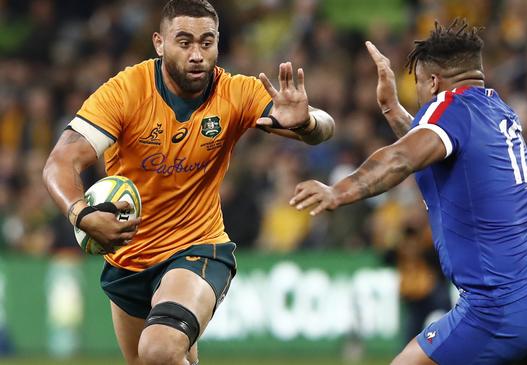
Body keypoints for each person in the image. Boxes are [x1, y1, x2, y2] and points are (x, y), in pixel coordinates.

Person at [42, 1, 334, 364]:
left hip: (198, 248)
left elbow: (322, 126)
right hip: (128, 258)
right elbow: (60, 163)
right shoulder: (126, 91)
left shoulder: (236, 93)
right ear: (159, 43)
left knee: (159, 350)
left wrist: (306, 122)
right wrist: (82, 215)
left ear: (217, 43)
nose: (197, 54)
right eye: (184, 42)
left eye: (206, 42)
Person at [290, 19, 527, 365]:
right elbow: (432, 153)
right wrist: (391, 109)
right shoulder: (497, 110)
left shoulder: (450, 107)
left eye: (417, 84)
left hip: (501, 303)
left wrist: (338, 191)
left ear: (433, 81)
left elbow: (401, 157)